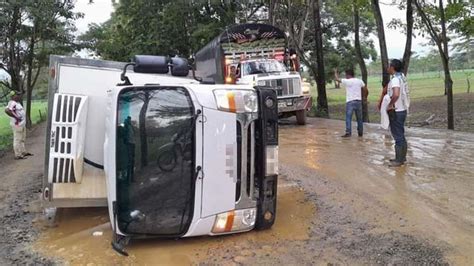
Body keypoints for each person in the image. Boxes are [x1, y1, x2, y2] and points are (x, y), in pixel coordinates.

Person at [379, 59, 409, 167]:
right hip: (402, 110)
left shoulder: (396, 80)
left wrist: (390, 104)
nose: (387, 68)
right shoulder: (402, 77)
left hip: (396, 111)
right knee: (400, 134)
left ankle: (398, 160)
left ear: (392, 67)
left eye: (389, 66)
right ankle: (402, 157)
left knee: (397, 135)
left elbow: (396, 94)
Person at [334, 68, 366, 137]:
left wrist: (335, 72)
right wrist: (364, 97)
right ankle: (360, 133)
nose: (345, 76)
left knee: (348, 118)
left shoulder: (347, 81)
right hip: (358, 101)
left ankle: (348, 132)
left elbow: (337, 79)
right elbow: (365, 89)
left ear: (348, 75)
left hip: (350, 102)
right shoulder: (359, 81)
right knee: (359, 118)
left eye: (346, 75)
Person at [4, 92, 32, 159]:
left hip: (22, 124)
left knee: (22, 139)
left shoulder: (17, 103)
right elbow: (7, 110)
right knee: (17, 139)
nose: (19, 96)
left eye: (19, 95)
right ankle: (18, 155)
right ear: (13, 96)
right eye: (17, 95)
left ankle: (23, 152)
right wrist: (16, 117)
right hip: (17, 125)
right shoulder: (12, 102)